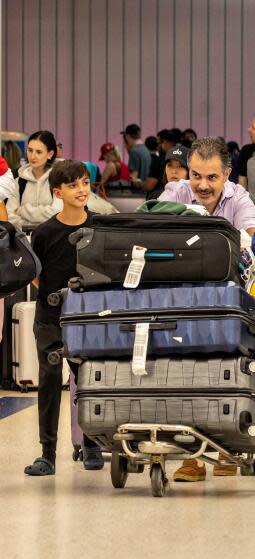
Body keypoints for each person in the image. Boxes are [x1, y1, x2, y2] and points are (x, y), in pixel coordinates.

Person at [160, 137, 255, 483]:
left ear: (227, 175)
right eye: (196, 175)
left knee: (221, 375)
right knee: (182, 376)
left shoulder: (240, 198)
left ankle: (224, 450)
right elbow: (152, 223)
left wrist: (250, 241)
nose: (202, 185)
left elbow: (254, 231)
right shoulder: (174, 193)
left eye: (212, 178)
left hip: (223, 306)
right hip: (181, 303)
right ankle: (191, 458)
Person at [24, 160, 103, 476]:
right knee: (48, 382)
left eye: (85, 182)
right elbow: (35, 274)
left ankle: (92, 444)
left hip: (88, 320)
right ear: (58, 192)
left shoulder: (100, 227)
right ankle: (47, 455)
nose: (82, 190)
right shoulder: (43, 233)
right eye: (73, 185)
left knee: (89, 382)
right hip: (49, 319)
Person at [5, 131, 60, 228]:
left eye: (38, 152)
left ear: (50, 154)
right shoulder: (19, 182)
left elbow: (57, 213)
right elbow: (10, 217)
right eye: (30, 150)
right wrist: (32, 228)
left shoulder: (59, 180)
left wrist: (22, 210)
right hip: (24, 241)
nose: (33, 156)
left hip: (52, 240)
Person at [142, 129, 180, 199]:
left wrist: (140, 185)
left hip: (158, 201)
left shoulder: (159, 160)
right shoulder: (184, 159)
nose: (157, 146)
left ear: (166, 142)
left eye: (159, 143)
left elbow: (149, 186)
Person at [122, 123, 152, 188]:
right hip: (146, 190)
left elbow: (133, 177)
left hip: (138, 192)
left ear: (127, 136)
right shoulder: (146, 149)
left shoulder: (134, 151)